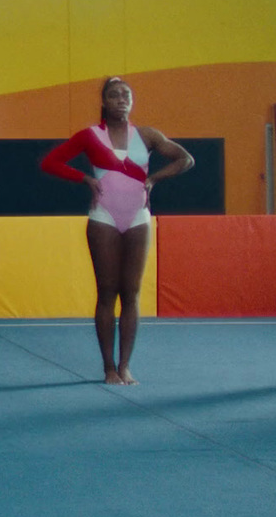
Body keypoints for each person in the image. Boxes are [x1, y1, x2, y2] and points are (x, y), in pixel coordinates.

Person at [41, 77, 193, 385]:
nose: (122, 99)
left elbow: (185, 159)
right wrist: (84, 179)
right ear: (104, 103)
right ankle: (109, 367)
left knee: (132, 293)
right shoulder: (90, 135)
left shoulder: (147, 136)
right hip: (104, 218)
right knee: (107, 291)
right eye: (114, 95)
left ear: (132, 102)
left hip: (138, 217)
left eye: (127, 95)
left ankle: (125, 365)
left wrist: (154, 179)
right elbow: (51, 162)